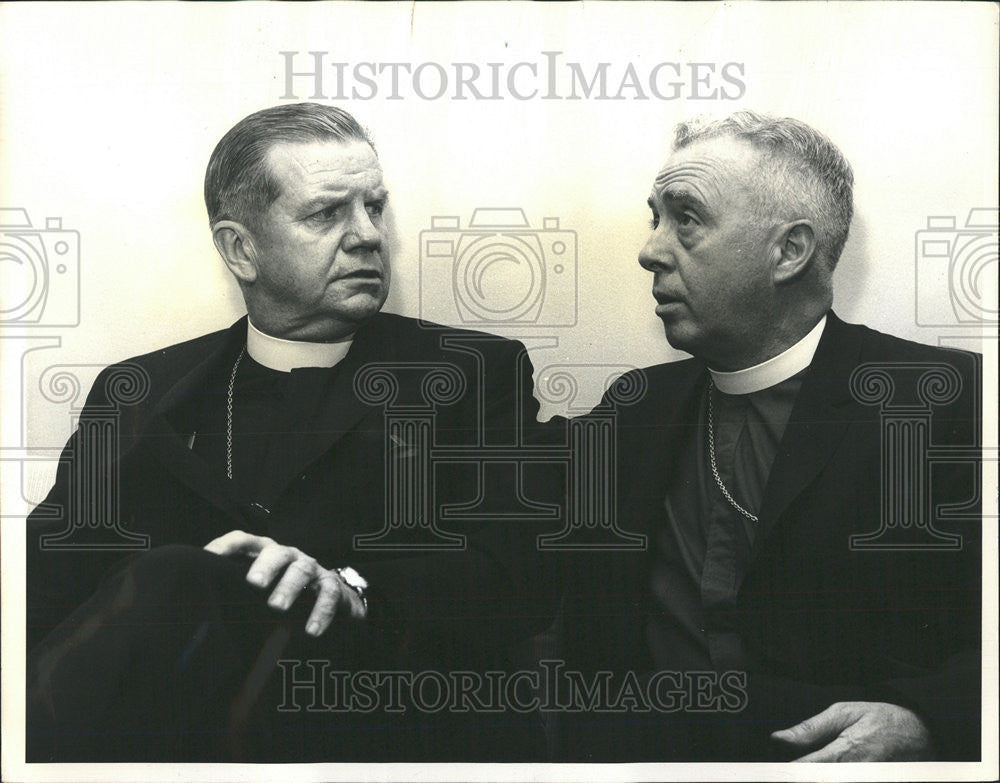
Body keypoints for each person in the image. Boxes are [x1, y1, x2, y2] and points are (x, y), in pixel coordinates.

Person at [26, 103, 557, 762]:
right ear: (240, 249)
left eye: (375, 207)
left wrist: (355, 588)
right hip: (179, 739)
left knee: (169, 574)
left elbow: (516, 571)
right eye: (326, 213)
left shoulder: (473, 372)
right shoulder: (139, 391)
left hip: (380, 723)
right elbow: (42, 583)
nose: (369, 236)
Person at [555, 111, 981, 762]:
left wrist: (928, 717)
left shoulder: (947, 398)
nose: (650, 250)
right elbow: (486, 486)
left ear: (788, 251)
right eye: (655, 219)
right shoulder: (637, 407)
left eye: (687, 217)